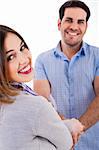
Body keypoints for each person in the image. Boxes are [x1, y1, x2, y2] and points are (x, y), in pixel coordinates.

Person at [0, 25, 84, 150]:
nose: (24, 59)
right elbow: (66, 144)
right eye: (11, 57)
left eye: (22, 48)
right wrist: (71, 126)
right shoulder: (34, 105)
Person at [34, 0, 99, 149]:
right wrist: (65, 130)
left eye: (80, 22)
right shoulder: (42, 60)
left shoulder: (98, 57)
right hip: (58, 145)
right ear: (59, 24)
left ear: (86, 26)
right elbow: (43, 103)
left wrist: (76, 129)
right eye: (69, 20)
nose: (74, 27)